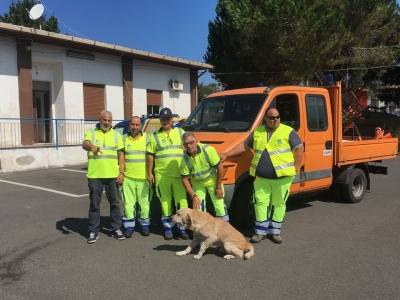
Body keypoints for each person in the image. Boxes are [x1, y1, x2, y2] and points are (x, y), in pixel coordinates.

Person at [220, 108, 304, 244]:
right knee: (260, 204)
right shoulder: (258, 132)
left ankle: (275, 232)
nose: (275, 119)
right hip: (261, 178)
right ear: (265, 118)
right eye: (272, 118)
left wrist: (296, 167)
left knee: (278, 204)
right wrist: (226, 154)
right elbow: (244, 146)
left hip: (281, 178)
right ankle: (260, 232)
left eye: (277, 117)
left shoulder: (288, 131)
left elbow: (299, 148)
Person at [82, 110, 126, 244]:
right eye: (104, 120)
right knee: (95, 204)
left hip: (112, 175)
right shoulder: (92, 132)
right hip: (95, 175)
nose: (107, 123)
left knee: (115, 203)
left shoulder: (117, 135)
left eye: (109, 120)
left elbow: (121, 155)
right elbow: (85, 144)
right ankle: (93, 231)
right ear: (99, 119)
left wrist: (121, 172)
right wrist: (92, 146)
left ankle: (116, 228)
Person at [146, 107, 189, 240]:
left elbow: (190, 147)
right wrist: (150, 173)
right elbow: (150, 156)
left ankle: (182, 229)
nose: (165, 121)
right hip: (162, 175)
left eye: (168, 119)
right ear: (160, 120)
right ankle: (168, 228)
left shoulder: (181, 132)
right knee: (165, 202)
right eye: (163, 119)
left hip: (179, 175)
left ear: (172, 120)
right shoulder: (154, 136)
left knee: (182, 202)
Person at [180, 132, 229, 222]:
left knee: (219, 206)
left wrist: (218, 187)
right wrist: (193, 196)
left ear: (196, 141)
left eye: (191, 142)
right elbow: (185, 179)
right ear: (183, 145)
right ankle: (202, 231)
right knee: (198, 208)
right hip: (198, 183)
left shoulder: (208, 150)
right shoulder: (185, 157)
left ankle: (225, 230)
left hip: (213, 181)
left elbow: (220, 167)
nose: (189, 146)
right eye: (186, 144)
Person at [121, 116, 152, 238]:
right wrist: (122, 173)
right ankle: (129, 227)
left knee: (145, 204)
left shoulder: (147, 138)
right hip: (128, 177)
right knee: (129, 204)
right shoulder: (124, 138)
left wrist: (150, 174)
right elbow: (121, 157)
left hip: (143, 178)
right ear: (129, 125)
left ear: (141, 126)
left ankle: (144, 225)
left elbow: (150, 157)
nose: (135, 127)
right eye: (133, 124)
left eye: (137, 125)